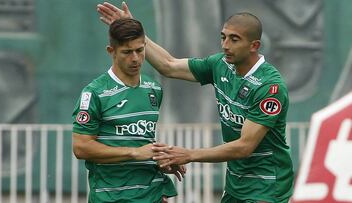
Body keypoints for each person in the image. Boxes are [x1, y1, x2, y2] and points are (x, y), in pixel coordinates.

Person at [97, 2, 294, 203]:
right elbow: (169, 66)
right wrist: (138, 35)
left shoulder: (269, 87)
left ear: (254, 46)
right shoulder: (220, 65)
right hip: (237, 184)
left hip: (268, 185)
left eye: (234, 39)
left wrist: (189, 154)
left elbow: (244, 147)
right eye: (223, 37)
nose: (225, 45)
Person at [72, 18, 185, 203]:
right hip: (110, 196)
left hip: (152, 194)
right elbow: (81, 147)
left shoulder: (153, 89)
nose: (135, 58)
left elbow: (143, 143)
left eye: (140, 50)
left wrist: (161, 159)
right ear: (112, 52)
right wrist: (134, 153)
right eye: (127, 52)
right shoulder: (94, 93)